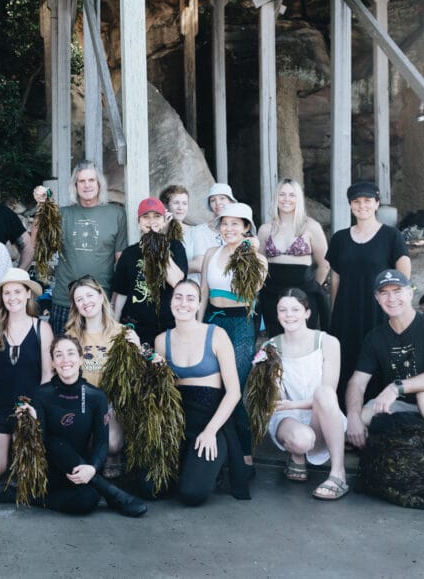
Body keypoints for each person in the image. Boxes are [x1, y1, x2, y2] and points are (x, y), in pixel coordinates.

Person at [0, 335, 147, 517]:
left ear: (81, 359)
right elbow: (43, 444)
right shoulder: (42, 394)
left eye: (71, 353)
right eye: (59, 355)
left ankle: (24, 496)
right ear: (53, 363)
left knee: (88, 500)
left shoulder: (96, 396)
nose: (65, 360)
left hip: (79, 470)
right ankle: (115, 494)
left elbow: (102, 442)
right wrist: (32, 423)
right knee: (55, 442)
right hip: (49, 472)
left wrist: (92, 468)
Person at [346, 270, 424, 485]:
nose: (391, 298)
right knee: (361, 419)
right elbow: (357, 382)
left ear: (410, 293)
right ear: (377, 298)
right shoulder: (375, 337)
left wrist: (396, 387)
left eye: (397, 291)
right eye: (384, 293)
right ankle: (394, 466)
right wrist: (352, 417)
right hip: (405, 407)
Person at [148, 280, 249, 505]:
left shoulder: (216, 335)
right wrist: (155, 372)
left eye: (190, 298)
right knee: (150, 488)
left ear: (198, 304)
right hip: (176, 423)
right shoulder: (161, 340)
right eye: (178, 297)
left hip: (210, 422)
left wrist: (211, 431)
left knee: (191, 494)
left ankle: (213, 464)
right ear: (171, 302)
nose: (183, 303)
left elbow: (234, 392)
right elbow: (162, 390)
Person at [0, 268, 53, 483]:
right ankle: (3, 450)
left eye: (17, 292)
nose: (12, 297)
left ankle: (14, 448)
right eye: (7, 293)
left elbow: (47, 377)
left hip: (27, 408)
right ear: (1, 297)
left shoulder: (42, 328)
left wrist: (36, 411)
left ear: (28, 294)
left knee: (26, 474)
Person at [327, 181, 410, 401]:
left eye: (367, 200)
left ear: (377, 203)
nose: (362, 205)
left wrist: (399, 313)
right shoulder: (339, 238)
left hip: (379, 313)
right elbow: (335, 278)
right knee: (346, 363)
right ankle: (345, 415)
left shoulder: (392, 236)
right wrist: (335, 313)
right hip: (346, 313)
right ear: (350, 205)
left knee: (378, 361)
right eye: (356, 201)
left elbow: (404, 279)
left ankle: (378, 414)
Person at [199, 202, 268, 464]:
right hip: (212, 319)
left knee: (234, 387)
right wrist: (198, 325)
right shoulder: (211, 253)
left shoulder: (258, 259)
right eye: (225, 223)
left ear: (246, 227)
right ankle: (216, 449)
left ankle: (244, 453)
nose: (228, 228)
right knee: (211, 384)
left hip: (240, 323)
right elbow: (203, 291)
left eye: (235, 224)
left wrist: (247, 252)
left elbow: (252, 287)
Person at [265, 288, 348, 500]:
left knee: (325, 393)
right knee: (302, 439)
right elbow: (278, 400)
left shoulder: (328, 342)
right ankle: (297, 455)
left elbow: (328, 392)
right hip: (288, 417)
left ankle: (338, 473)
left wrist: (294, 404)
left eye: (295, 309)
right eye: (283, 310)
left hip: (322, 415)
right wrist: (276, 390)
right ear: (277, 314)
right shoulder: (270, 347)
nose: (289, 315)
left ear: (307, 313)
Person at [31, 160, 128, 335]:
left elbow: (121, 263)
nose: (87, 185)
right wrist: (41, 208)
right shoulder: (62, 214)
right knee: (62, 351)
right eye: (81, 181)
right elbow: (37, 244)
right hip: (65, 301)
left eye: (91, 180)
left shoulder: (116, 214)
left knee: (98, 352)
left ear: (99, 184)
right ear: (75, 186)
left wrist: (115, 302)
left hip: (100, 301)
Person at [63, 275, 141, 469]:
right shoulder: (71, 336)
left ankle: (111, 455)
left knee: (112, 444)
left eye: (89, 295)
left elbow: (136, 376)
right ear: (75, 306)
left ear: (100, 296)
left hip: (111, 405)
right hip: (81, 403)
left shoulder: (122, 333)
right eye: (79, 299)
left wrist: (139, 349)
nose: (85, 302)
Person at [256, 178, 330, 336]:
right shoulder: (265, 229)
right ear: (276, 197)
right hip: (272, 295)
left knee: (304, 340)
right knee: (276, 342)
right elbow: (260, 266)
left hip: (304, 295)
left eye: (292, 195)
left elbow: (324, 264)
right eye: (282, 194)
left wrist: (311, 287)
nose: (286, 199)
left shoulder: (311, 227)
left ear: (299, 199)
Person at [112, 197, 187, 346]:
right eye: (146, 217)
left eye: (157, 216)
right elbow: (121, 294)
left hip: (167, 328)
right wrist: (115, 326)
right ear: (139, 222)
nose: (151, 221)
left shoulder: (175, 247)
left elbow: (176, 282)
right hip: (134, 328)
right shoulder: (129, 253)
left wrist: (160, 246)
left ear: (164, 220)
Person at [187, 182, 237, 282]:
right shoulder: (200, 231)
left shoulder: (241, 231)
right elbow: (199, 265)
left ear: (231, 202)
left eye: (222, 198)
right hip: (202, 285)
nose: (218, 203)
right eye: (213, 200)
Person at [159, 184, 194, 279]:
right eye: (176, 203)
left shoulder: (195, 231)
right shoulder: (158, 232)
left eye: (184, 203)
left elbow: (200, 264)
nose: (180, 207)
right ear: (166, 206)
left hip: (191, 283)